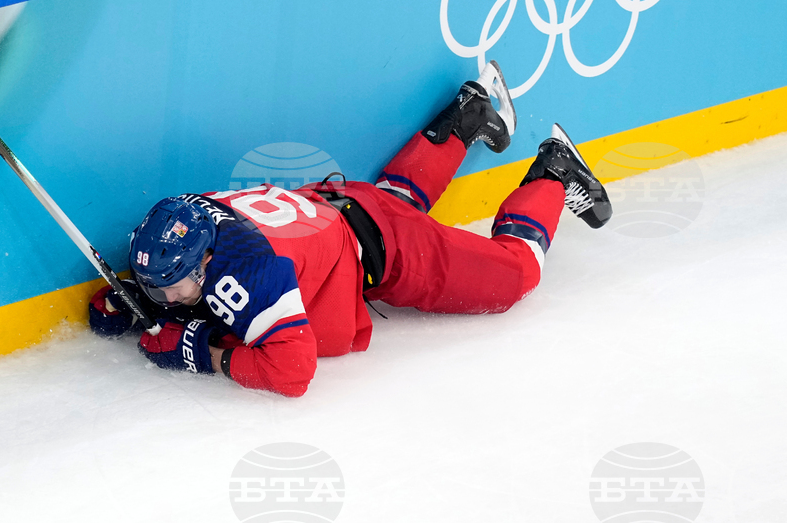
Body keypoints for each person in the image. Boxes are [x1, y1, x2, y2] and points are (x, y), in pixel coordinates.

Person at [88, 62, 612, 397]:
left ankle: (554, 173)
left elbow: (292, 373)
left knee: (515, 275)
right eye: (155, 280)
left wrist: (199, 352)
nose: (163, 291)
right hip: (335, 204)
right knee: (391, 202)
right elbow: (184, 284)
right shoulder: (189, 214)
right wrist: (139, 299)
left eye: (170, 282)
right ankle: (464, 120)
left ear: (205, 261)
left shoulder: (252, 276)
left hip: (385, 246)